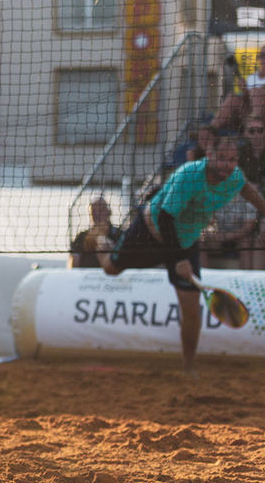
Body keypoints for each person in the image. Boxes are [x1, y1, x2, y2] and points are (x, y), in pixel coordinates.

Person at [97, 129, 265, 374]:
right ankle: (103, 240)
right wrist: (179, 260)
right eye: (222, 158)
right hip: (150, 232)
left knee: (191, 307)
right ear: (210, 154)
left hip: (186, 240)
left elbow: (248, 190)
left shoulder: (234, 177)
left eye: (232, 160)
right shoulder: (189, 176)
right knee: (111, 269)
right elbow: (166, 219)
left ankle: (188, 367)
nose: (228, 165)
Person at [68, 197, 121, 269]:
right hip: (86, 276)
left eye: (101, 210)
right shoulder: (82, 236)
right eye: (94, 211)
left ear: (109, 212)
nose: (97, 214)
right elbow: (74, 263)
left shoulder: (120, 234)